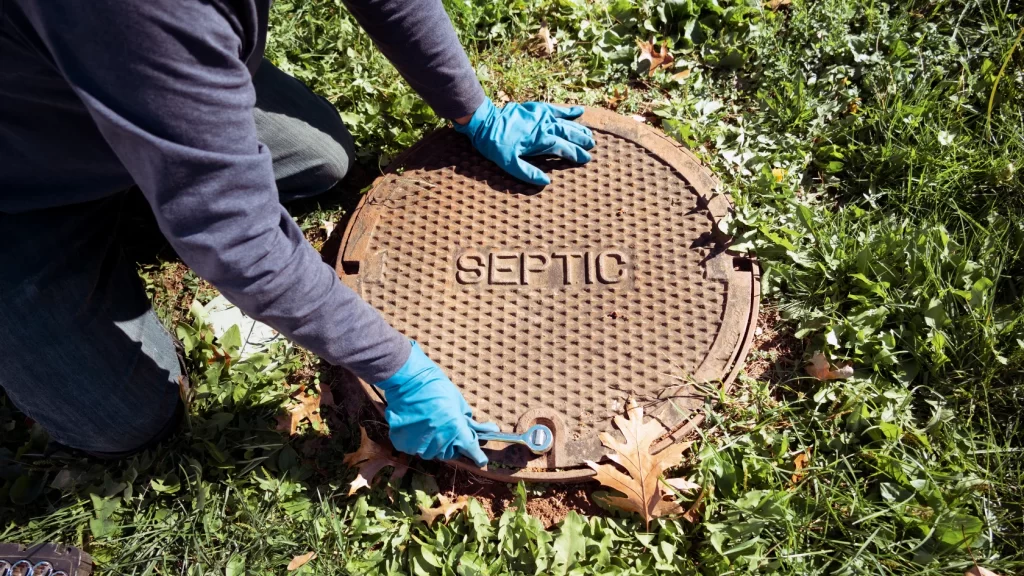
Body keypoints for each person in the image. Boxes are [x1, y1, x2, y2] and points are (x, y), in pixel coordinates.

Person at [0, 0, 595, 466]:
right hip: (22, 182)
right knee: (121, 418)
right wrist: (397, 366)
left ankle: (171, 145)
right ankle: (162, 166)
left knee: (323, 158)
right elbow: (238, 236)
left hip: (122, 67)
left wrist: (473, 110)